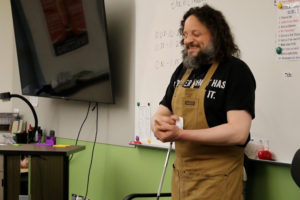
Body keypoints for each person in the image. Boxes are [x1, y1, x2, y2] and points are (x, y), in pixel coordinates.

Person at [151, 4, 256, 200]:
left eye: (195, 33)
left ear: (216, 34)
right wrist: (157, 124)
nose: (188, 40)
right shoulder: (183, 70)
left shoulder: (236, 71)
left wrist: (181, 134)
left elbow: (238, 132)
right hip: (182, 181)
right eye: (185, 34)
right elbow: (162, 111)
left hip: (218, 182)